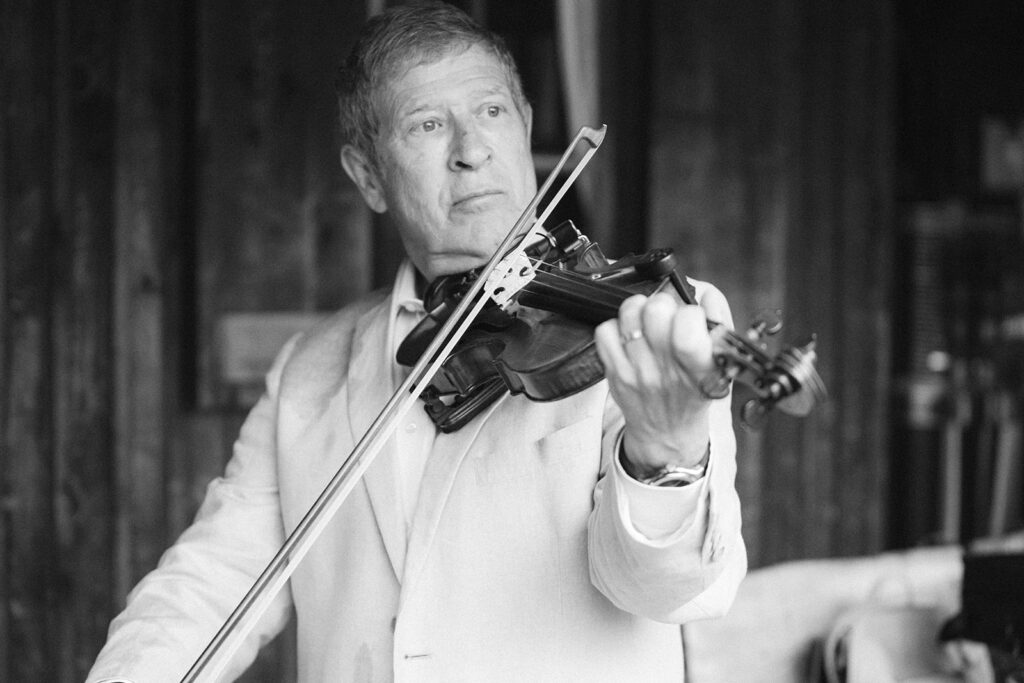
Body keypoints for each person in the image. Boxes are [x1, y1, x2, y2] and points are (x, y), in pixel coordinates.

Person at [87, 2, 746, 681]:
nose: (471, 149)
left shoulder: (648, 322)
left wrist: (666, 453)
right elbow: (207, 584)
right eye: (428, 124)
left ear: (523, 127)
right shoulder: (313, 369)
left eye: (491, 112)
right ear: (368, 176)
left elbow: (670, 589)